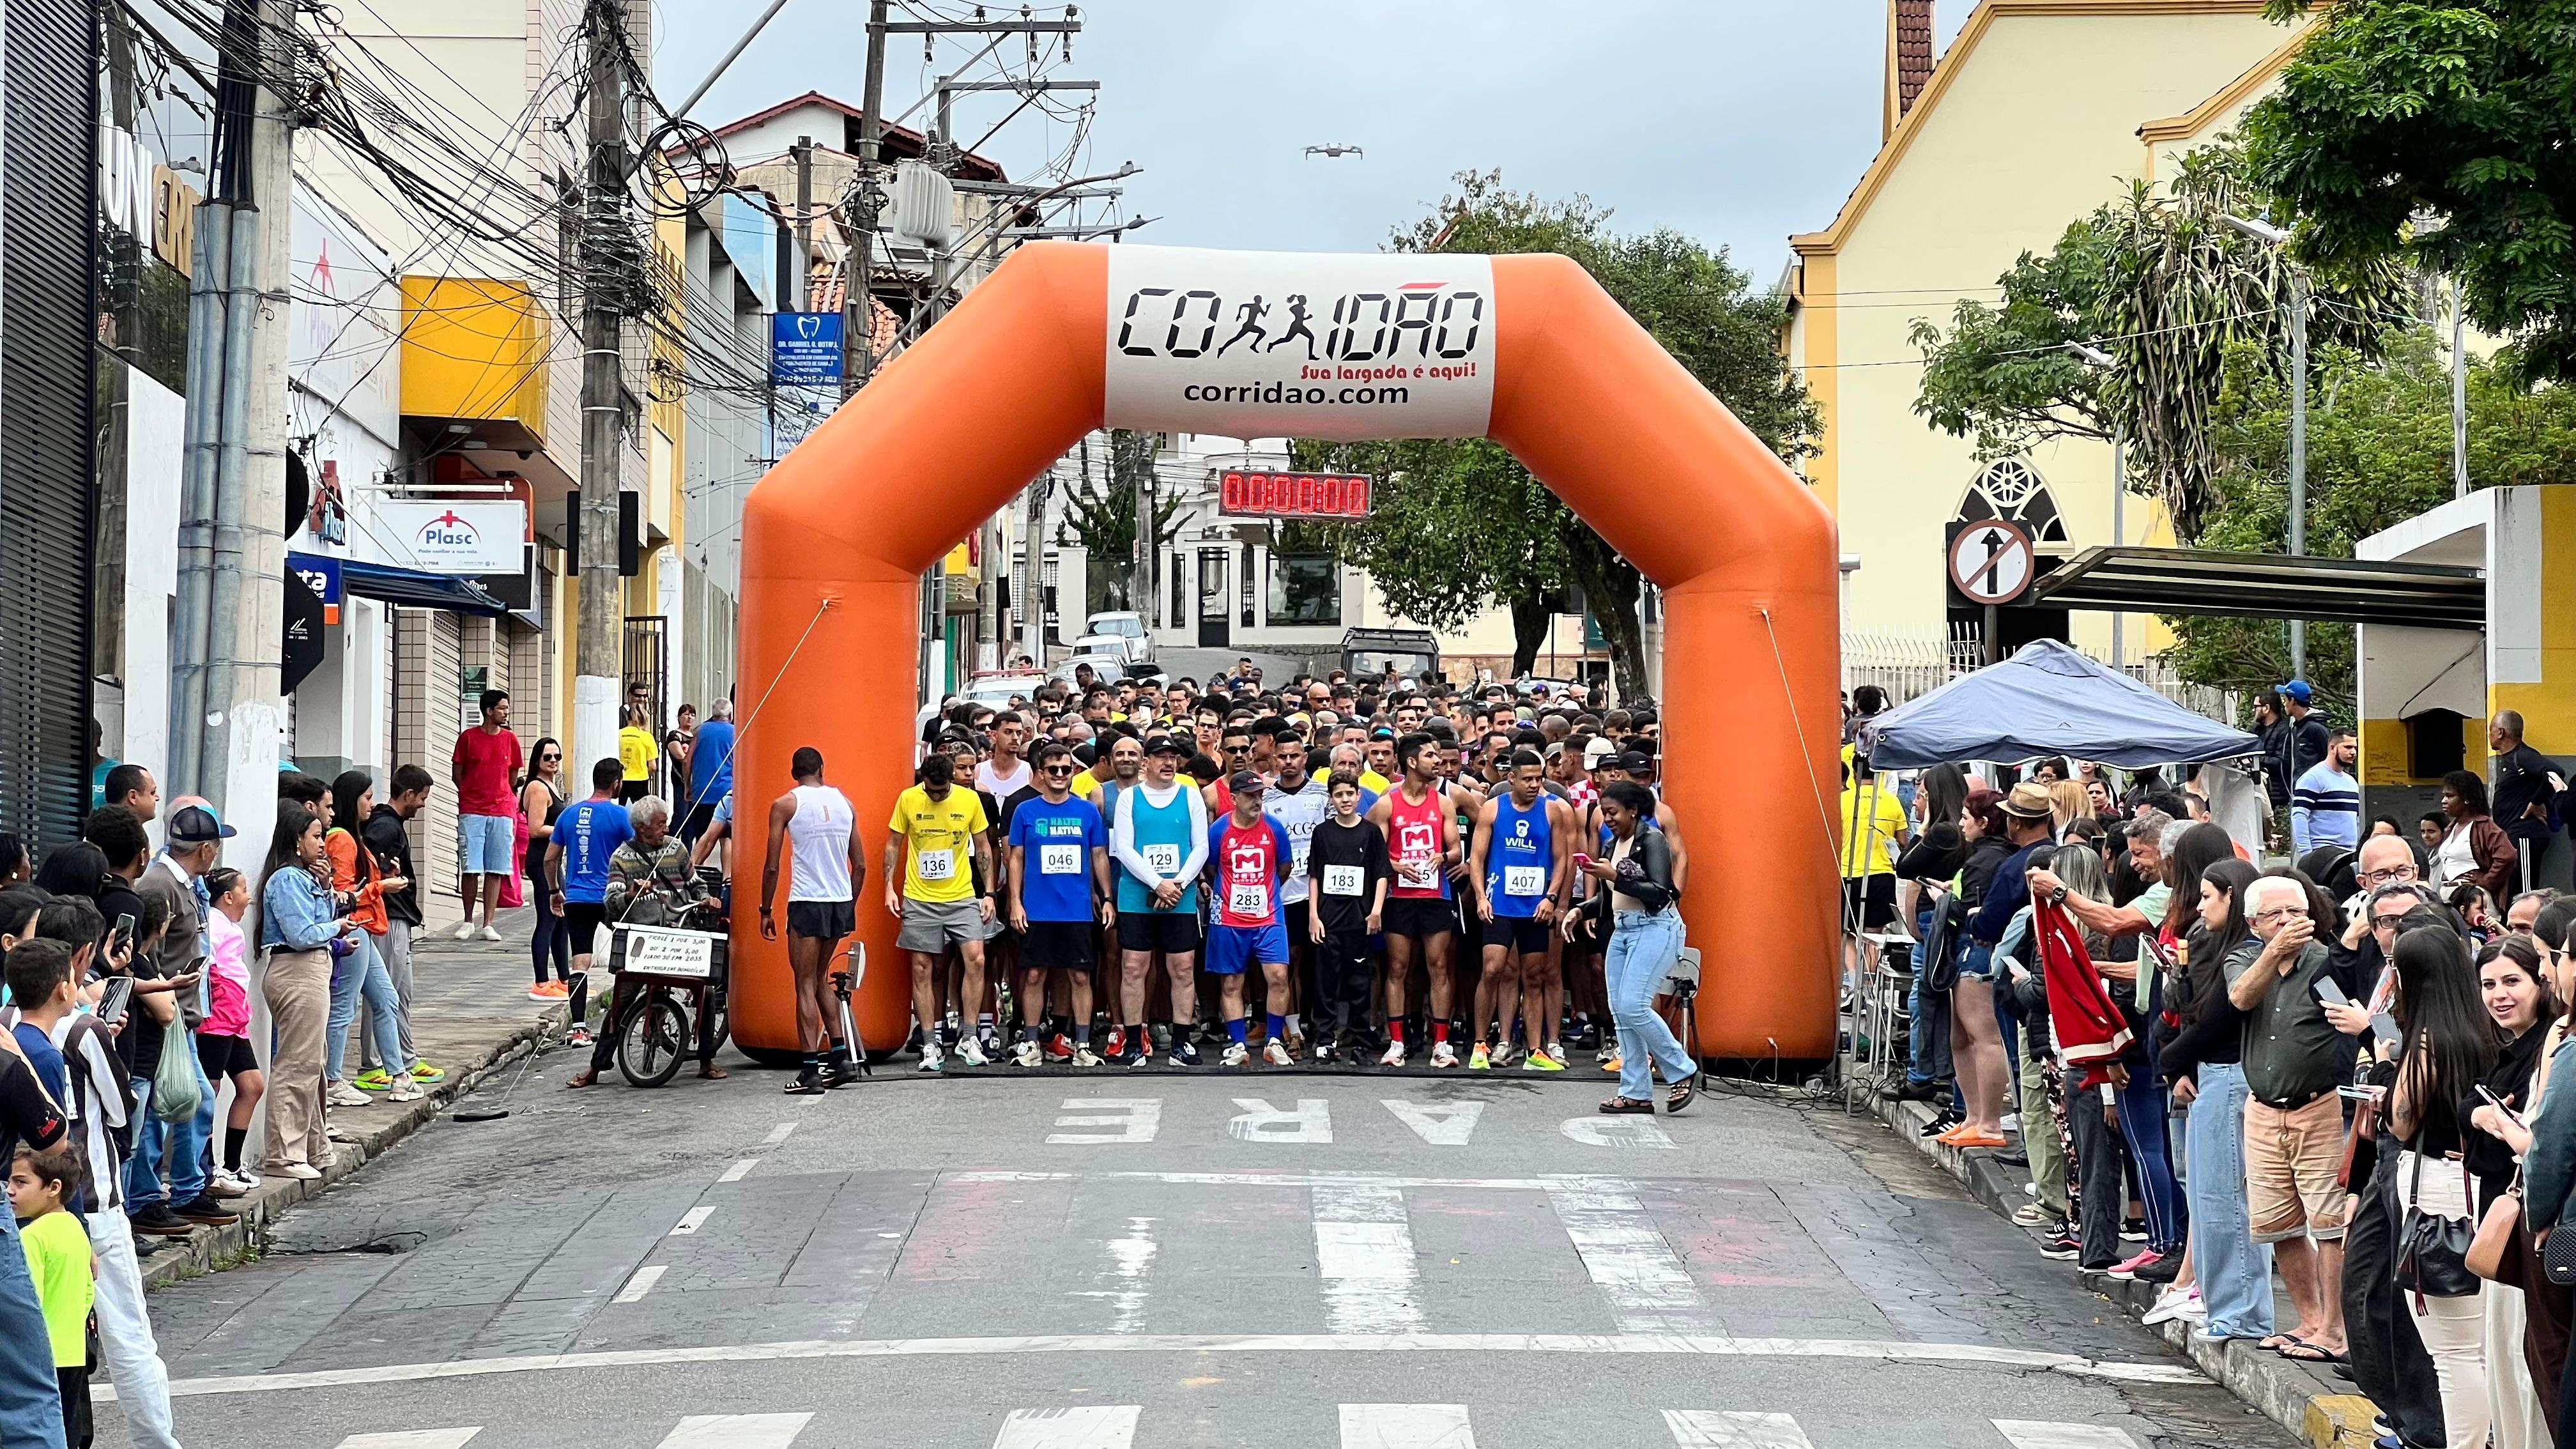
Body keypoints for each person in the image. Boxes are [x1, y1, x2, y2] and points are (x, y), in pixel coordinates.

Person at [2223, 872, 2351, 1361]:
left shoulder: (2324, 964)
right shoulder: (2244, 958)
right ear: (2253, 923)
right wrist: (2274, 952)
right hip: (2262, 1110)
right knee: (2278, 1223)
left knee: (2329, 1222)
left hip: (2319, 1107)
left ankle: (2334, 1331)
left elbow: (2362, 1018)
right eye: (2275, 914)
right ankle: (2309, 1320)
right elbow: (2241, 997)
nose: (2287, 922)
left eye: (2296, 912)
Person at [2385, 923, 2500, 1448]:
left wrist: (2390, 1064)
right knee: (2482, 1345)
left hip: (2437, 1189)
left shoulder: (2428, 1040)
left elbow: (2401, 1121)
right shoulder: (2488, 1031)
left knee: (2454, 1352)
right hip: (2479, 1188)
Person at [2151, 857, 2274, 1344]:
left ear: (2232, 897)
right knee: (2207, 1199)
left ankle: (2241, 1313)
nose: (2199, 908)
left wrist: (2170, 1058)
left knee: (2226, 1201)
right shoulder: (2218, 947)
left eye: (2207, 897)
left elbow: (2219, 1020)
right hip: (2211, 1075)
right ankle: (2222, 1305)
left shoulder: (2247, 954)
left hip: (2229, 1076)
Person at [2462, 931, 2555, 1449]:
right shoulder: (2504, 1047)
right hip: (2503, 1217)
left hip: (2532, 1225)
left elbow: (2540, 1145)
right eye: (2489, 984)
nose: (2500, 995)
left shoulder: (2550, 1047)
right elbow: (2462, 1106)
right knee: (2502, 1358)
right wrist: (2481, 1116)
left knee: (2525, 1369)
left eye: (2512, 981)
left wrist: (2500, 1125)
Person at [568, 797, 725, 1089]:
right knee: (621, 1001)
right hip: (643, 943)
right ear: (641, 827)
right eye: (660, 824)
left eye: (666, 823)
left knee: (704, 990)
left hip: (680, 936)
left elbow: (695, 884)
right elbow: (611, 901)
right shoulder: (622, 857)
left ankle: (707, 1060)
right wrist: (630, 895)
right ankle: (596, 1067)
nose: (666, 829)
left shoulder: (677, 849)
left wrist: (706, 899)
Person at [1570, 780, 1694, 1115]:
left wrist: (1614, 875)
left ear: (1633, 811)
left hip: (1655, 927)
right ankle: (1636, 1091)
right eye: (1603, 812)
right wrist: (1581, 910)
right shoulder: (1612, 845)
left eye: (1613, 812)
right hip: (1622, 929)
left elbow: (1660, 893)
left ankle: (1681, 1068)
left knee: (1634, 1005)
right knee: (1620, 1011)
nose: (1607, 819)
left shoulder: (1652, 840)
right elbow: (1612, 898)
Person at [760, 748, 867, 1092]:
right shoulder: (845, 803)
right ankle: (840, 1057)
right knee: (819, 977)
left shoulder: (785, 805)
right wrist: (849, 903)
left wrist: (765, 909)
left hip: (807, 900)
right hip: (839, 900)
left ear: (794, 773)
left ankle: (809, 1070)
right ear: (822, 769)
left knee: (804, 983)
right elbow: (860, 865)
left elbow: (772, 865)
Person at [883, 751, 992, 1073]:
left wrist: (988, 893)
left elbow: (983, 846)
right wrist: (888, 887)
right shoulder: (908, 799)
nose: (938, 796)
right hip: (920, 897)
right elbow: (893, 843)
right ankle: (931, 1042)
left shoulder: (969, 800)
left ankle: (969, 1037)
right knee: (921, 969)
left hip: (961, 895)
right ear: (923, 781)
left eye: (943, 791)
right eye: (932, 791)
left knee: (977, 959)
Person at [1005, 742, 1112, 1068]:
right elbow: (1015, 858)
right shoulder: (1025, 811)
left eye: (1067, 769)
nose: (1060, 775)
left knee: (1080, 976)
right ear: (1042, 772)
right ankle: (1031, 1043)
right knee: (1034, 975)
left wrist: (1107, 898)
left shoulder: (1087, 811)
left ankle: (1082, 1045)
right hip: (1037, 909)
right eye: (1053, 769)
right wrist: (1015, 902)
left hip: (1077, 910)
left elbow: (1098, 856)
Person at [1110, 735, 1211, 1068]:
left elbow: (1201, 846)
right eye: (1160, 757)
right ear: (1146, 763)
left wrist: (1177, 884)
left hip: (1180, 896)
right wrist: (1157, 883)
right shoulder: (1129, 798)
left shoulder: (1190, 795)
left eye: (1172, 757)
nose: (1168, 763)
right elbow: (1125, 848)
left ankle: (1182, 1043)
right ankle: (1134, 1044)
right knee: (1133, 968)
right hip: (1137, 896)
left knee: (1183, 969)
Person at [1470, 747, 1573, 1071]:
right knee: (1493, 969)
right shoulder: (1492, 808)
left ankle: (1535, 1050)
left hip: (1535, 907)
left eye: (1538, 779)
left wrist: (1551, 898)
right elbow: (1477, 858)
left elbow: (1562, 859)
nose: (1534, 784)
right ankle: (1480, 1044)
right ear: (1511, 778)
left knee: (1534, 976)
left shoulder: (1552, 810)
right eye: (1527, 779)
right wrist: (1480, 897)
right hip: (1499, 903)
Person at [323, 771, 420, 1105]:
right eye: (367, 797)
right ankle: (333, 1080)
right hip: (352, 926)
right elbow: (342, 894)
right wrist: (383, 886)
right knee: (344, 1005)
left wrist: (382, 874)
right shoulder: (342, 839)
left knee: (387, 999)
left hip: (361, 926)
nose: (372, 803)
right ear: (353, 801)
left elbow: (355, 883)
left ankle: (399, 1076)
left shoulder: (352, 838)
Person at [261, 802, 346, 1180]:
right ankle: (284, 1154)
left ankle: (313, 1147)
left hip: (310, 970)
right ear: (297, 840)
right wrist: (336, 928)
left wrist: (326, 889)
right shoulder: (286, 879)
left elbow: (315, 922)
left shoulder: (303, 879)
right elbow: (301, 934)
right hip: (297, 971)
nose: (322, 844)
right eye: (316, 836)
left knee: (313, 1062)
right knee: (297, 1064)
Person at [1370, 732, 1464, 1068]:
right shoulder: (1388, 802)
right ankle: (1396, 1041)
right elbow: (1372, 851)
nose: (1438, 761)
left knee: (1439, 967)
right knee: (1398, 968)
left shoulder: (1443, 802)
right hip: (1399, 897)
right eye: (1430, 756)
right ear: (1411, 762)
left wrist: (1444, 857)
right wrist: (1396, 866)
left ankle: (1441, 1042)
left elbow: (1456, 850)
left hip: (1435, 895)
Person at [1205, 772, 1295, 1067]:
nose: (1257, 801)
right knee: (1231, 982)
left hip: (1268, 915)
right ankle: (1238, 1044)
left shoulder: (1274, 828)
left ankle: (1274, 1040)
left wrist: (1264, 892)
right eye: (1250, 795)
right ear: (1234, 798)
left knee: (1278, 976)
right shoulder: (1219, 830)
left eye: (1260, 795)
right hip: (1229, 917)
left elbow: (1284, 867)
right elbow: (1211, 868)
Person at [8, 1140, 92, 1449]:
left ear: (53, 1188)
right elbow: (87, 1292)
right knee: (65, 1433)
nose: (9, 1191)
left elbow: (26, 1302)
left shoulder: (31, 1236)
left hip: (36, 1358)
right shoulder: (75, 1228)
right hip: (74, 1353)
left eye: (21, 1182)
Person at [360, 766, 438, 1090]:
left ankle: (404, 1057)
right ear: (408, 794)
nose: (422, 805)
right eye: (421, 798)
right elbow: (364, 863)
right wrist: (384, 878)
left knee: (401, 993)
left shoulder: (389, 825)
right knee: (383, 992)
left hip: (399, 916)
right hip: (388, 917)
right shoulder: (385, 826)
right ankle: (373, 1063)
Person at [1307, 768, 1390, 1063]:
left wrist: (1376, 911)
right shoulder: (1322, 833)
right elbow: (1314, 876)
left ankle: (1360, 1038)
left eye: (1349, 794)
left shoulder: (1370, 832)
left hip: (1360, 919)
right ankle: (1325, 1039)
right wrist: (1313, 915)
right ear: (1331, 799)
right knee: (1326, 982)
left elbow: (1381, 874)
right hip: (1328, 920)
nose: (1344, 799)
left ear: (1358, 795)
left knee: (1359, 982)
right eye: (1338, 795)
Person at [548, 760, 632, 1050]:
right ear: (617, 784)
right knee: (629, 957)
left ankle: (579, 1029)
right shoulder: (620, 815)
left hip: (577, 898)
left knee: (580, 963)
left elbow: (550, 857)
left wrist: (554, 890)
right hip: (612, 898)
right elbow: (638, 852)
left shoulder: (569, 814)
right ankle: (625, 1020)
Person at [197, 867, 262, 1197]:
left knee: (252, 1086)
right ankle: (206, 1169)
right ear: (227, 897)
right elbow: (206, 965)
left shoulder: (228, 926)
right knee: (210, 1092)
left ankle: (232, 1165)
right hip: (217, 1019)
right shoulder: (213, 924)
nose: (248, 897)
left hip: (234, 1019)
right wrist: (222, 998)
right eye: (244, 889)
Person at [448, 689, 522, 941]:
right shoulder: (468, 738)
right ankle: (468, 920)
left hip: (502, 810)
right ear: (489, 711)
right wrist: (471, 793)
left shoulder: (510, 739)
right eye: (502, 708)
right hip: (472, 810)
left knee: (496, 868)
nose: (506, 712)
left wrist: (501, 793)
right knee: (470, 867)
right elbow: (457, 774)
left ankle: (488, 923)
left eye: (507, 708)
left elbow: (513, 776)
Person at [2489, 710, 2564, 892]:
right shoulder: (2509, 760)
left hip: (2524, 835)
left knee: (2525, 893)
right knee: (2513, 892)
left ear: (2501, 732)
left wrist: (2536, 802)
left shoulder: (2523, 755)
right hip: (2512, 836)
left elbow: (2556, 772)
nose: (2489, 734)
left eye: (2491, 730)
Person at [2433, 768, 2519, 896]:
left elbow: (2508, 856)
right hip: (2447, 894)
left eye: (2450, 796)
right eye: (2444, 796)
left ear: (2467, 799)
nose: (2444, 801)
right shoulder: (2451, 828)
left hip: (2470, 896)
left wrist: (2487, 881)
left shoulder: (2485, 827)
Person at [2292, 728, 2362, 855]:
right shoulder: (2313, 778)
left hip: (2349, 852)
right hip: (2323, 852)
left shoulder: (2351, 782)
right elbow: (2299, 815)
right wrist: (2306, 853)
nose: (2353, 752)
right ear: (2332, 748)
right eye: (2348, 747)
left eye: (2355, 748)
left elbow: (2357, 819)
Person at [682, 700, 735, 845]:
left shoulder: (699, 731)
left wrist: (687, 786)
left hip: (702, 791)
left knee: (702, 837)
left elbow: (687, 762)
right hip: (726, 791)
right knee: (727, 838)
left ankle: (698, 861)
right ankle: (726, 863)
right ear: (730, 715)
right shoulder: (735, 732)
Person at [617, 703, 657, 805]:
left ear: (627, 718)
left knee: (620, 808)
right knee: (642, 811)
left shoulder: (618, 734)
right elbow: (653, 767)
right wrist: (648, 773)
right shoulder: (647, 737)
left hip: (620, 779)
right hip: (640, 781)